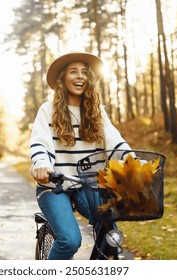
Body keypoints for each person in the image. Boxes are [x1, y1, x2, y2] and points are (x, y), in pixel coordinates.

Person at [29, 52, 133, 260]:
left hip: (89, 185)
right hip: (55, 185)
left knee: (110, 237)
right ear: (62, 78)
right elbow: (41, 143)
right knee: (69, 240)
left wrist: (132, 160)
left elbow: (114, 141)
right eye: (73, 71)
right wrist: (42, 164)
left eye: (85, 72)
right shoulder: (48, 110)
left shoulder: (96, 111)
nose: (80, 77)